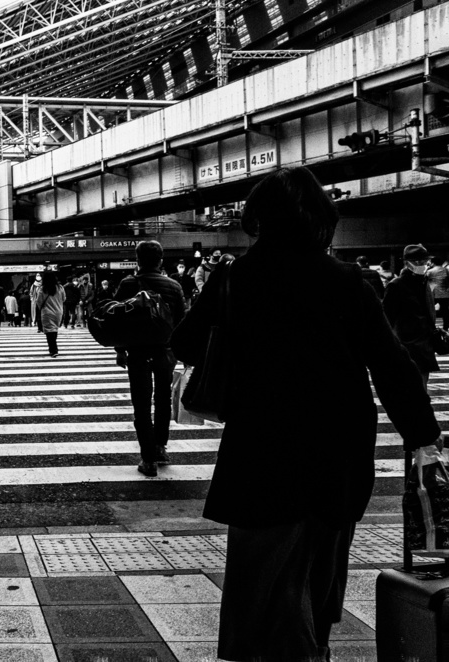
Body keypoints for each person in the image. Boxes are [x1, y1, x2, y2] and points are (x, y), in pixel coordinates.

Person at [170, 167, 442, 661]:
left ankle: (266, 645)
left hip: (261, 443)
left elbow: (184, 341)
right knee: (321, 564)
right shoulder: (347, 281)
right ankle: (311, 646)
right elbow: (391, 364)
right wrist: (423, 435)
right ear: (320, 219)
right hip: (335, 444)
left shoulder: (236, 278)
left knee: (261, 566)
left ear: (260, 219)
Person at [112, 241, 185, 477]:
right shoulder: (174, 286)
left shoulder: (128, 284)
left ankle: (148, 460)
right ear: (160, 260)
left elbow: (118, 319)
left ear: (138, 259)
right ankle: (160, 447)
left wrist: (120, 350)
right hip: (165, 351)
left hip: (138, 351)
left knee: (141, 404)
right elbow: (181, 322)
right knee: (163, 399)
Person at [384, 244, 440, 388]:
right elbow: (387, 317)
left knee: (422, 385)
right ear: (406, 262)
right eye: (417, 262)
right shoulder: (396, 285)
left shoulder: (423, 282)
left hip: (424, 341)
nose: (422, 264)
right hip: (407, 342)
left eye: (424, 261)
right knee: (411, 385)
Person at [36, 271, 66, 357]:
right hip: (58, 312)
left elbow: (39, 302)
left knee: (49, 332)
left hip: (47, 312)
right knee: (54, 329)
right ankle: (53, 348)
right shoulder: (60, 288)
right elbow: (64, 299)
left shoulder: (42, 289)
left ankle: (53, 350)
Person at [427, 255, 449, 330]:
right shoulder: (445, 270)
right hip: (445, 294)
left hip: (434, 294)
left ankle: (431, 327)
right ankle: (446, 327)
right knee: (445, 312)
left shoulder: (430, 271)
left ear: (433, 263)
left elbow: (425, 281)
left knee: (430, 311)